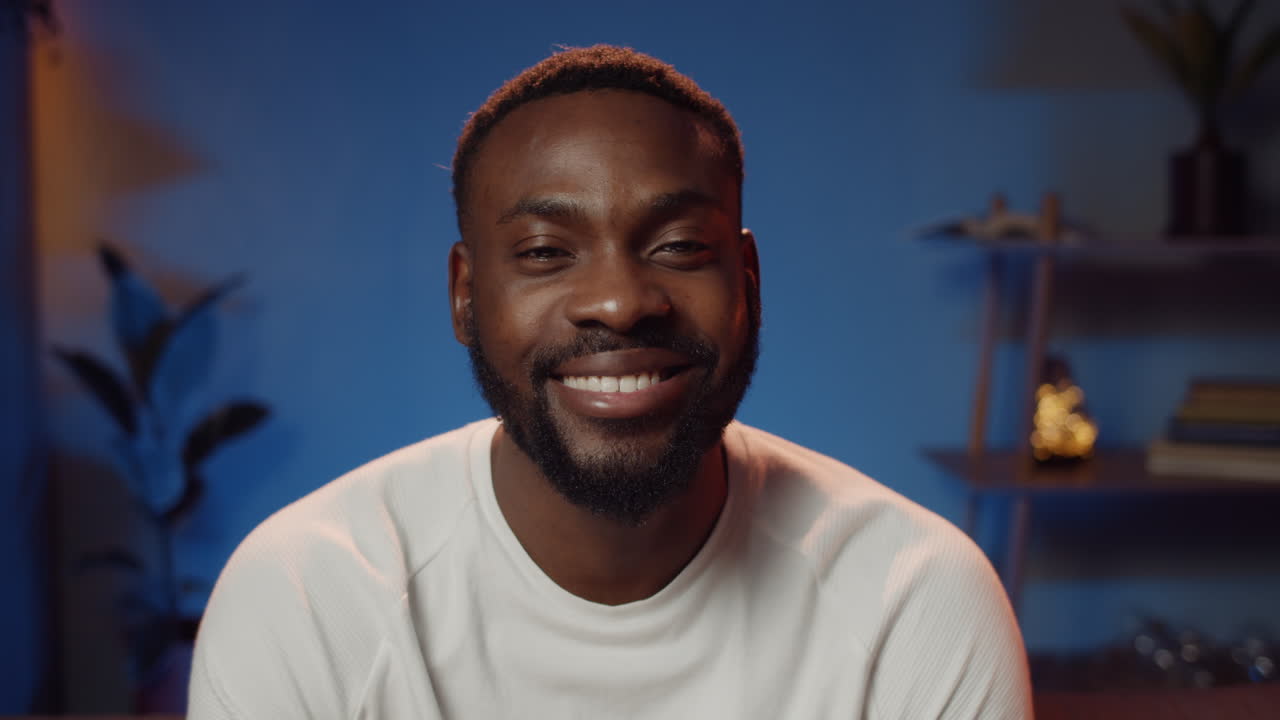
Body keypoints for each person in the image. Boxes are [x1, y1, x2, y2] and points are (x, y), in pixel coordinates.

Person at [188, 45, 1032, 718]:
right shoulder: (306, 597)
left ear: (748, 283)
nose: (621, 303)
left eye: (677, 246)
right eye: (547, 253)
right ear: (465, 296)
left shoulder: (912, 604)